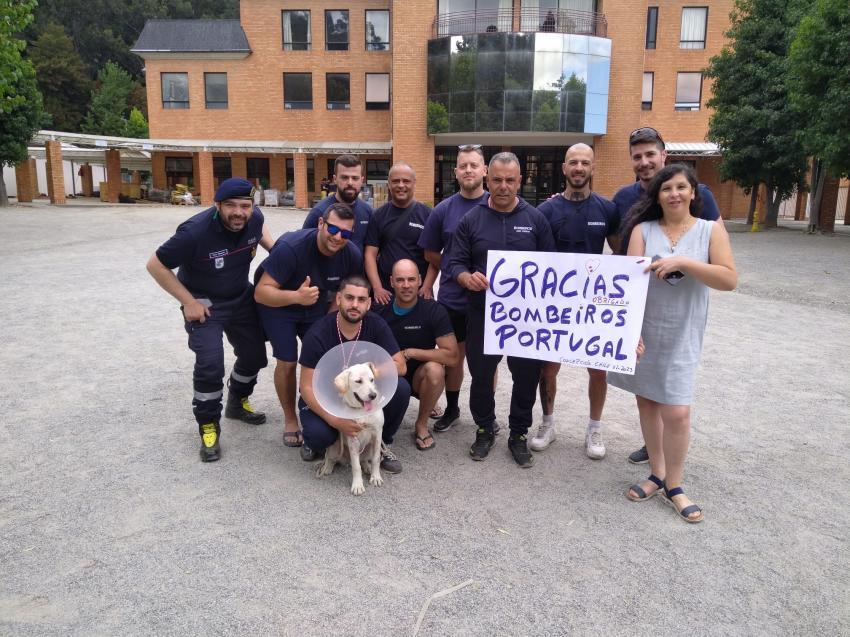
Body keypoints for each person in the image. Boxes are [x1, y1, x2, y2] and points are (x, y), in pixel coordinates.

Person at [608, 164, 737, 523]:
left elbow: (728, 279)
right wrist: (629, 331)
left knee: (677, 411)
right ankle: (657, 473)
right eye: (667, 189)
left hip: (683, 330)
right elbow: (629, 283)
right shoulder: (643, 231)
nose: (674, 194)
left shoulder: (710, 231)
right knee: (647, 402)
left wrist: (683, 262)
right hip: (646, 331)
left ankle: (676, 485)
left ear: (694, 193)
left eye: (682, 187)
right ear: (657, 195)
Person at [612, 126, 724, 464]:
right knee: (645, 388)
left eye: (650, 154)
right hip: (644, 307)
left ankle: (667, 465)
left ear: (664, 155)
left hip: (682, 308)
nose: (644, 161)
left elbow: (719, 255)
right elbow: (621, 256)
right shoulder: (622, 199)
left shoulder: (699, 195)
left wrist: (684, 263)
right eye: (638, 156)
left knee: (674, 395)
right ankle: (654, 450)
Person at [146, 177, 273, 462]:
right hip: (204, 303)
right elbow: (155, 265)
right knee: (210, 364)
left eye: (245, 206)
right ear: (217, 205)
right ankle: (208, 424)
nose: (239, 212)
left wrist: (278, 252)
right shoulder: (194, 232)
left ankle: (237, 402)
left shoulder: (254, 218)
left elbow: (262, 233)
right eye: (231, 206)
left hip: (241, 298)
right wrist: (188, 301)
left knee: (254, 356)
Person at [448, 152, 555, 468]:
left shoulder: (536, 220)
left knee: (525, 378)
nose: (503, 187)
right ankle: (484, 428)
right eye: (497, 180)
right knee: (481, 376)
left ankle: (518, 434)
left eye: (510, 180)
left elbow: (554, 269)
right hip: (483, 316)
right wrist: (466, 277)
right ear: (487, 179)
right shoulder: (471, 220)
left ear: (520, 181)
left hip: (526, 320)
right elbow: (455, 261)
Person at [532, 143, 621, 459]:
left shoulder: (607, 209)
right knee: (548, 368)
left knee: (598, 370)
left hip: (593, 303)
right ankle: (547, 422)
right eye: (573, 162)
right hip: (555, 303)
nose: (579, 167)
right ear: (564, 168)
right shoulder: (546, 211)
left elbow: (622, 255)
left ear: (593, 167)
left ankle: (594, 428)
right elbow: (534, 258)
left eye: (585, 162)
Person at [254, 202, 362, 456]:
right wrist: (296, 297)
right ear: (321, 224)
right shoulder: (292, 248)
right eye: (333, 229)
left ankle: (317, 409)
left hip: (314, 303)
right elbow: (261, 292)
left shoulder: (351, 254)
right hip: (279, 303)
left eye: (345, 233)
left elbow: (347, 291)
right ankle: (291, 418)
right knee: (289, 359)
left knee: (325, 357)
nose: (338, 237)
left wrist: (330, 315)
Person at [297, 275, 411, 474]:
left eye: (361, 300)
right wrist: (336, 421)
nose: (355, 305)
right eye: (349, 298)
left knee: (401, 388)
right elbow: (306, 386)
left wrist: (372, 371)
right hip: (327, 398)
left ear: (368, 303)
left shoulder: (376, 325)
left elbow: (400, 366)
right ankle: (316, 441)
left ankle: (382, 443)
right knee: (319, 437)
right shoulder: (318, 333)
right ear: (339, 299)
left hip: (361, 393)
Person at [420, 144, 489, 433]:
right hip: (453, 299)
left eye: (474, 165)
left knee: (486, 364)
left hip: (491, 301)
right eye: (464, 166)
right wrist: (454, 267)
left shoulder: (499, 205)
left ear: (485, 170)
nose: (469, 170)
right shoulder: (443, 210)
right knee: (454, 358)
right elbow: (430, 253)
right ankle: (453, 408)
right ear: (456, 172)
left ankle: (486, 414)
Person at [376, 259, 459, 451]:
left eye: (411, 279)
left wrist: (412, 353)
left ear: (420, 280)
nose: (406, 285)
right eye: (401, 280)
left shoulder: (433, 310)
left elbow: (453, 356)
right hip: (390, 374)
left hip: (419, 376)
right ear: (391, 281)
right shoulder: (379, 308)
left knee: (435, 370)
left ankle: (421, 424)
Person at [364, 162, 438, 304]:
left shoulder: (429, 215)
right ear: (389, 184)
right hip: (385, 295)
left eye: (406, 181)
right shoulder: (378, 215)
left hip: (420, 293)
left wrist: (427, 286)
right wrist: (377, 287)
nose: (401, 185)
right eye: (396, 181)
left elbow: (434, 256)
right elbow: (370, 254)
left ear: (414, 183)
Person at [302, 154, 371, 251]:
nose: (350, 183)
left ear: (362, 180)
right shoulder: (318, 212)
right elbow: (304, 248)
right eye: (344, 177)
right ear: (335, 179)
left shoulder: (368, 212)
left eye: (355, 178)